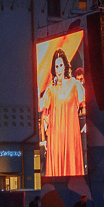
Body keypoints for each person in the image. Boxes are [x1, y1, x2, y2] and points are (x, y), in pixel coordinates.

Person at [37, 47, 86, 178]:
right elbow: (41, 108)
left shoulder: (75, 85)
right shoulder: (51, 90)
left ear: (65, 66)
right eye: (56, 66)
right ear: (54, 68)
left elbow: (84, 105)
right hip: (56, 136)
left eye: (60, 65)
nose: (58, 69)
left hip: (71, 134)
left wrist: (87, 124)